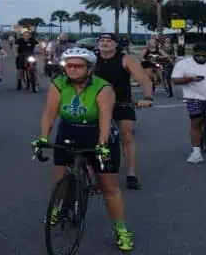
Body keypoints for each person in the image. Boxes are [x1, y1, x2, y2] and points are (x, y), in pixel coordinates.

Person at [33, 47, 134, 252]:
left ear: (89, 68)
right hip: (69, 130)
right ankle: (58, 207)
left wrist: (103, 144)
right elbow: (50, 113)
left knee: (108, 186)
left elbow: (106, 117)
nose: (72, 69)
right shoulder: (58, 83)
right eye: (68, 65)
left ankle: (121, 230)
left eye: (78, 66)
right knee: (60, 180)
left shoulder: (103, 87)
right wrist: (43, 138)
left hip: (96, 131)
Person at [92, 33, 153, 190]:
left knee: (126, 133)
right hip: (96, 103)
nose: (105, 44)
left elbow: (144, 79)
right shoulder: (91, 59)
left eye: (109, 41)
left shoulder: (125, 59)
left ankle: (131, 173)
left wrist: (147, 97)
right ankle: (98, 171)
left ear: (116, 44)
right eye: (102, 41)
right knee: (96, 136)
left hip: (122, 101)